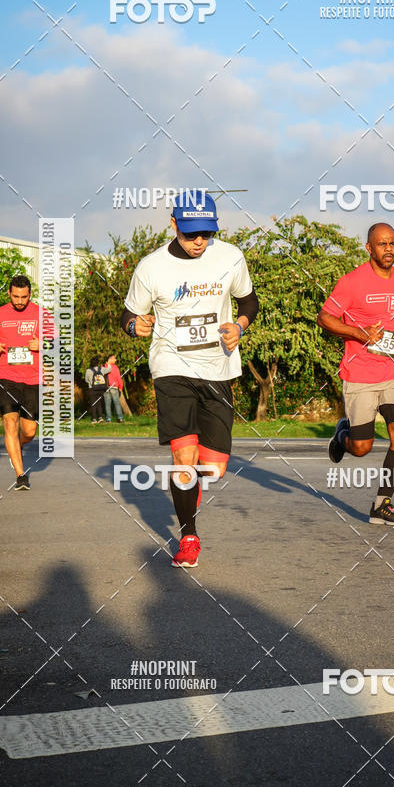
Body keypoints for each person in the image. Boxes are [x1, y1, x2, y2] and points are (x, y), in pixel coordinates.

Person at [120, 190, 259, 567]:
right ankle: (189, 536)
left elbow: (249, 302)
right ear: (173, 224)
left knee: (211, 467)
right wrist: (137, 326)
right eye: (191, 233)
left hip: (218, 369)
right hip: (172, 367)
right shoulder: (151, 267)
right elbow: (129, 316)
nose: (200, 241)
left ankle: (189, 487)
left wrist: (240, 326)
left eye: (207, 233)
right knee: (183, 460)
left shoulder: (230, 257)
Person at [317, 222, 394, 525]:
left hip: (393, 371)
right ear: (369, 248)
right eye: (382, 244)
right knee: (362, 448)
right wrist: (358, 333)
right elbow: (324, 318)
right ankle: (343, 436)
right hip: (359, 373)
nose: (388, 249)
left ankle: (382, 504)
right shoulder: (352, 282)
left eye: (392, 243)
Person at [0, 275, 42, 490]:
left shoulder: (42, 314)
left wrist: (42, 344)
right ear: (9, 293)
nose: (19, 301)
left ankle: (17, 445)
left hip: (33, 378)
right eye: (15, 296)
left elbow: (56, 343)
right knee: (10, 423)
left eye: (24, 297)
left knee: (30, 431)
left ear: (30, 294)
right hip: (6, 377)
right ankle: (20, 475)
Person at [84, 357, 110, 423]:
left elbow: (86, 380)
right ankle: (100, 417)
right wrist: (108, 363)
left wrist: (90, 382)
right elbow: (109, 369)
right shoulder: (102, 369)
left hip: (92, 389)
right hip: (101, 389)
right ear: (98, 363)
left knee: (93, 404)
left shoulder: (88, 370)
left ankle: (94, 419)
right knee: (99, 403)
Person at [103, 354, 124, 423]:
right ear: (110, 359)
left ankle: (108, 419)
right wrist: (121, 386)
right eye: (114, 358)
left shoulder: (103, 367)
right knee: (117, 403)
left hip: (105, 387)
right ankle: (120, 418)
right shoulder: (115, 367)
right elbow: (118, 377)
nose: (115, 360)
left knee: (107, 404)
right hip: (114, 387)